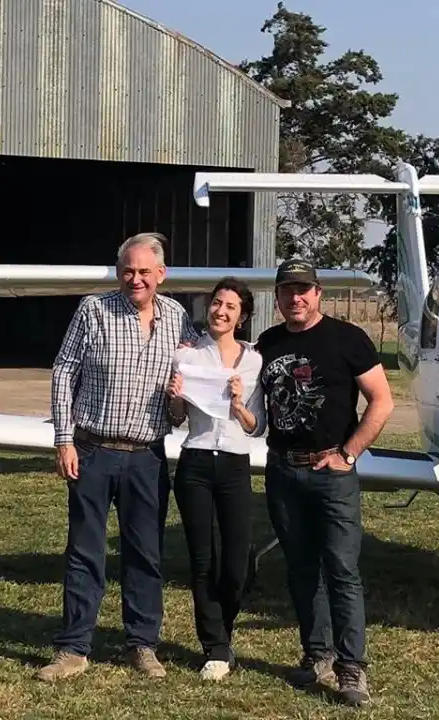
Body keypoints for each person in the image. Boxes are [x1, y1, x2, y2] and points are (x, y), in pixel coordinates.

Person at [36, 231, 199, 682]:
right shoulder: (94, 309)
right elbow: (64, 370)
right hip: (93, 449)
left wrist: (185, 397)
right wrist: (64, 440)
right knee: (85, 551)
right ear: (118, 271)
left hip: (147, 455)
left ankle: (142, 644)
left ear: (161, 274)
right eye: (128, 271)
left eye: (144, 271)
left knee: (145, 553)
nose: (135, 279)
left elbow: (192, 375)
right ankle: (74, 648)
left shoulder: (177, 318)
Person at [255, 258, 394, 707]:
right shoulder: (268, 343)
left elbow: (382, 401)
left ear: (318, 293)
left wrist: (348, 454)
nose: (295, 297)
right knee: (300, 568)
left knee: (341, 569)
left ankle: (351, 667)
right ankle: (317, 653)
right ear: (277, 297)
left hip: (331, 473)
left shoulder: (348, 339)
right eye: (287, 290)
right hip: (283, 470)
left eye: (304, 289)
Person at [165, 276, 267, 682]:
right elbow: (176, 419)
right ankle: (216, 646)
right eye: (216, 303)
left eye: (230, 307)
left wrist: (239, 405)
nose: (220, 311)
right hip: (195, 462)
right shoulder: (187, 356)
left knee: (237, 561)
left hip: (235, 464)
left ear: (241, 317)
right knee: (203, 559)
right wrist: (175, 396)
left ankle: (223, 630)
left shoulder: (254, 361)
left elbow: (257, 427)